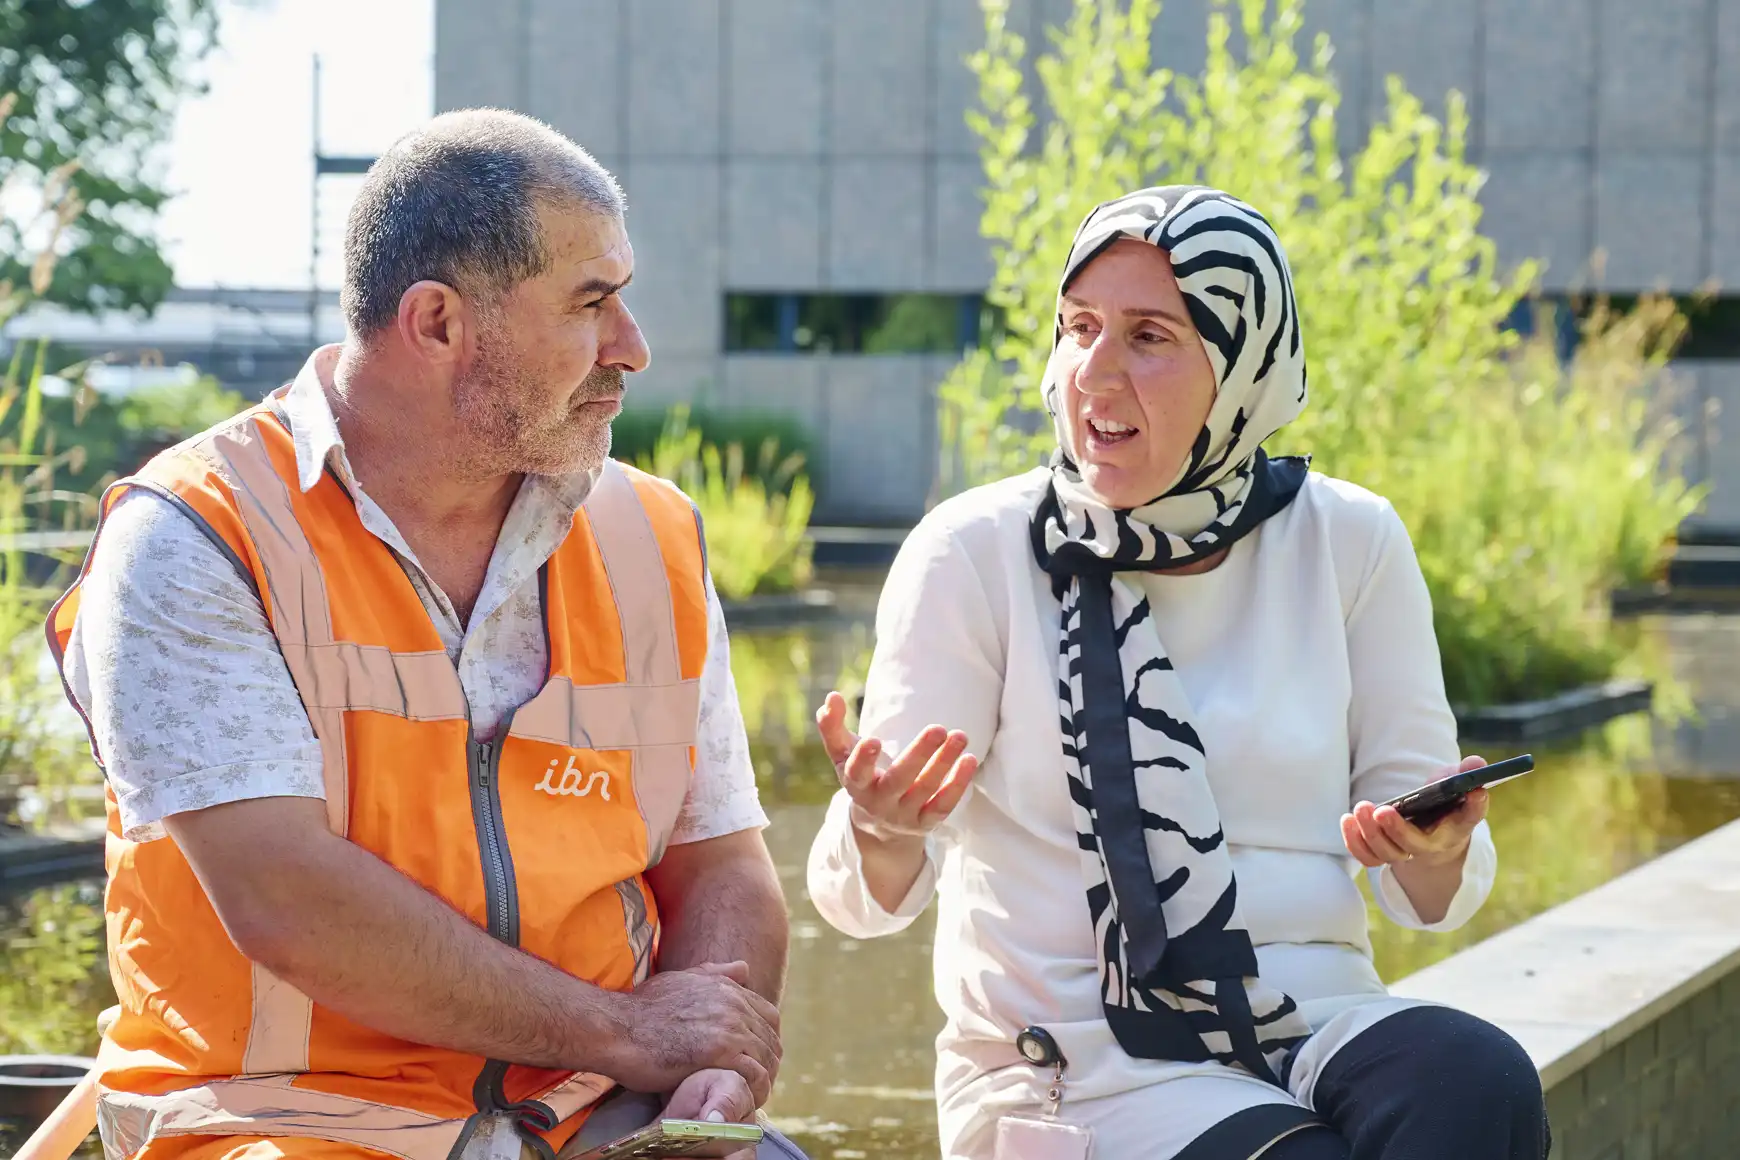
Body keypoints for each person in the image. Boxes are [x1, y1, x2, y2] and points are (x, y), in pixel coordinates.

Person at [47, 109, 807, 1160]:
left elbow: (721, 860)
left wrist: (707, 1055)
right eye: (592, 304)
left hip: (600, 1116)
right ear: (439, 323)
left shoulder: (650, 536)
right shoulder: (194, 535)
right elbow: (288, 900)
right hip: (285, 1127)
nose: (632, 347)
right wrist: (629, 1029)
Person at [806, 187, 1549, 1159]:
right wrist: (879, 825)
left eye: (1149, 335)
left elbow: (1426, 889)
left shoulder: (1350, 538)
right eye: (1078, 329)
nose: (1094, 374)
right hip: (1067, 1058)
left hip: (1309, 1016)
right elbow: (861, 903)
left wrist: (1433, 846)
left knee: (1478, 1078)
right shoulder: (973, 552)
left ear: (1243, 365)